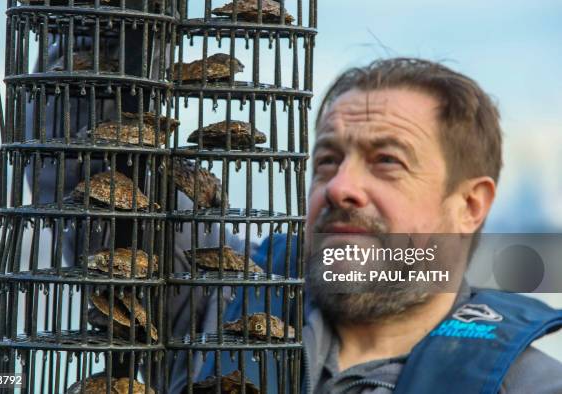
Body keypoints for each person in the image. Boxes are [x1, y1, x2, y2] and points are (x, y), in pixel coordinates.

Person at [196, 58, 562, 393]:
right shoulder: (218, 285)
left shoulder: (532, 386)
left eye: (386, 160)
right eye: (327, 160)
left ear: (470, 205)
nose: (339, 187)